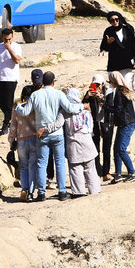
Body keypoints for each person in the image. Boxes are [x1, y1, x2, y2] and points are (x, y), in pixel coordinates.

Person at [15, 71, 89, 201]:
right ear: (54, 81)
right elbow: (70, 108)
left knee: (42, 163)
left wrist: (18, 107)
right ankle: (62, 191)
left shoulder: (35, 95)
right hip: (57, 134)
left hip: (42, 134)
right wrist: (83, 106)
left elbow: (25, 111)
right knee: (59, 163)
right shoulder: (59, 94)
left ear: (42, 81)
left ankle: (41, 193)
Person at [40, 88, 101, 197]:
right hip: (88, 143)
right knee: (90, 169)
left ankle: (79, 192)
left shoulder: (65, 111)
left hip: (73, 144)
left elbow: (57, 125)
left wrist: (44, 129)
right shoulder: (86, 109)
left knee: (75, 169)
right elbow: (91, 126)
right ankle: (95, 191)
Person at [104, 71, 135, 184]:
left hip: (126, 123)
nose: (110, 84)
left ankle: (132, 173)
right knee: (116, 148)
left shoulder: (119, 92)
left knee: (121, 149)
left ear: (114, 81)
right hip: (125, 122)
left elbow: (117, 110)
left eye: (110, 81)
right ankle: (118, 173)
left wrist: (105, 106)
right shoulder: (123, 90)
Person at [8, 85, 37, 202]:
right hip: (34, 138)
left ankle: (24, 189)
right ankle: (31, 192)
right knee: (32, 166)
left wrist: (11, 141)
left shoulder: (16, 106)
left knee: (23, 166)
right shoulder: (35, 106)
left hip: (21, 140)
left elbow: (13, 125)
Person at [82, 74, 113, 181]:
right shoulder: (89, 94)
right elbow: (83, 107)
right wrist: (87, 97)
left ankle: (106, 172)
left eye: (99, 85)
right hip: (95, 124)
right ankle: (98, 172)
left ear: (103, 84)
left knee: (107, 148)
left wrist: (101, 99)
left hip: (107, 123)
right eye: (95, 85)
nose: (97, 87)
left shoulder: (108, 93)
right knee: (95, 149)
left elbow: (110, 107)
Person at [0, 28, 22, 135]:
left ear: (12, 37)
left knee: (8, 102)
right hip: (0, 78)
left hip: (11, 78)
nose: (7, 41)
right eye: (5, 39)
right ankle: (11, 118)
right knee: (0, 101)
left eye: (9, 39)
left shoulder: (16, 47)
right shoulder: (0, 47)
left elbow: (17, 60)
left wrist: (10, 49)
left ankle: (6, 124)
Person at [100, 11, 135, 85]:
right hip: (115, 63)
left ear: (120, 19)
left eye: (116, 19)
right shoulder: (108, 31)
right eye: (112, 20)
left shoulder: (128, 29)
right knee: (116, 85)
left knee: (126, 84)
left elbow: (133, 45)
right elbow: (103, 48)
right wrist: (108, 42)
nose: (115, 21)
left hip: (127, 61)